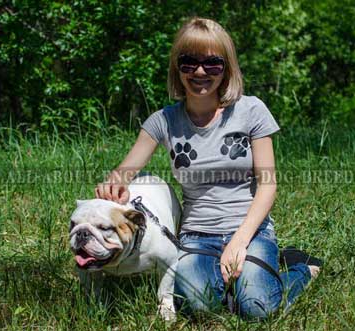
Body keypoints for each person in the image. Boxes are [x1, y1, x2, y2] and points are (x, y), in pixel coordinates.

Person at [95, 17, 321, 319]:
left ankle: (301, 269)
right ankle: (242, 284)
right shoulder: (162, 121)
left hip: (251, 230)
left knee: (258, 308)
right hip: (197, 234)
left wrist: (240, 242)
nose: (200, 72)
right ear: (177, 68)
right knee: (197, 306)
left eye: (212, 64)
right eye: (189, 62)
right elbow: (124, 171)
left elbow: (268, 185)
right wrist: (111, 184)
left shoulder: (251, 110)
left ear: (227, 68)